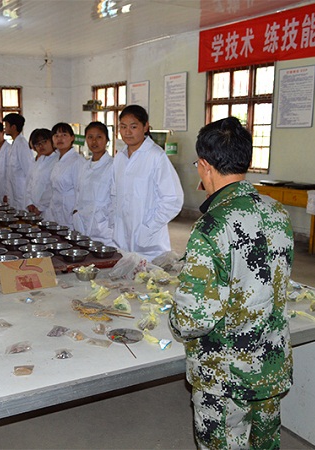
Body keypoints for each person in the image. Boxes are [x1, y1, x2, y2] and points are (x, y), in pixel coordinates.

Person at [168, 117, 294, 449]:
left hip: (225, 378)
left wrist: (173, 315)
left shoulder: (212, 225)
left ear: (205, 165)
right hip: (270, 365)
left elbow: (192, 319)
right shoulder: (277, 212)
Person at [111, 105, 183, 260]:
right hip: (121, 238)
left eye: (133, 126)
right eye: (123, 127)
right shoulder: (120, 158)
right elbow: (114, 193)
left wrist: (148, 228)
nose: (127, 132)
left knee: (148, 281)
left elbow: (173, 200)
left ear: (145, 127)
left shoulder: (156, 156)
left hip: (150, 244)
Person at [72, 121, 114, 245]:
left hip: (103, 227)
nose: (94, 141)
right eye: (90, 137)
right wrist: (76, 212)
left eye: (99, 137)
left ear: (107, 140)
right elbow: (79, 192)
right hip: (83, 222)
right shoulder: (85, 165)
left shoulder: (113, 165)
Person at [47, 122, 84, 227]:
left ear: (72, 138)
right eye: (56, 136)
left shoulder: (77, 161)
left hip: (70, 212)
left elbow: (80, 190)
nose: (60, 139)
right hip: (56, 210)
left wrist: (76, 212)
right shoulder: (57, 159)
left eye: (64, 135)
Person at [3, 113, 34, 209]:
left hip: (22, 193)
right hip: (14, 193)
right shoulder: (14, 143)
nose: (5, 128)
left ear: (13, 127)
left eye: (6, 126)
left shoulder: (21, 144)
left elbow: (29, 170)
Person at [25, 128, 57, 217]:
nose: (41, 146)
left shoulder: (58, 160)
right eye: (37, 144)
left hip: (48, 210)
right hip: (34, 208)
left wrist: (40, 208)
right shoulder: (39, 160)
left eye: (44, 142)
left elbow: (51, 188)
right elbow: (30, 183)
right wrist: (29, 202)